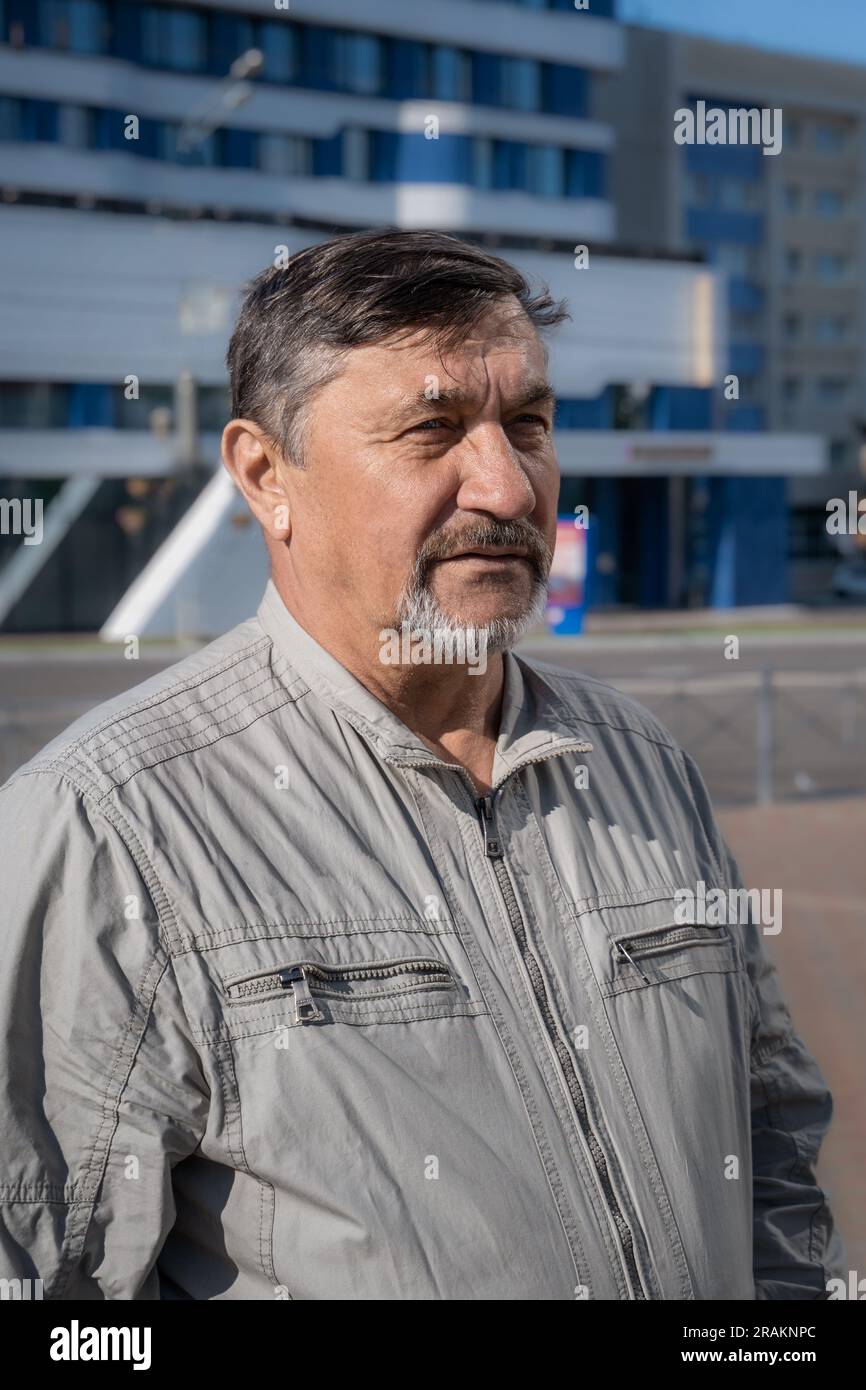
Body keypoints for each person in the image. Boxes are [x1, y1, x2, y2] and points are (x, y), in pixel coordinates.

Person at [0, 229, 845, 1300]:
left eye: (528, 424)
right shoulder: (111, 826)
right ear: (267, 476)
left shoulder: (640, 765)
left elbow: (769, 1157)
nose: (505, 485)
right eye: (432, 428)